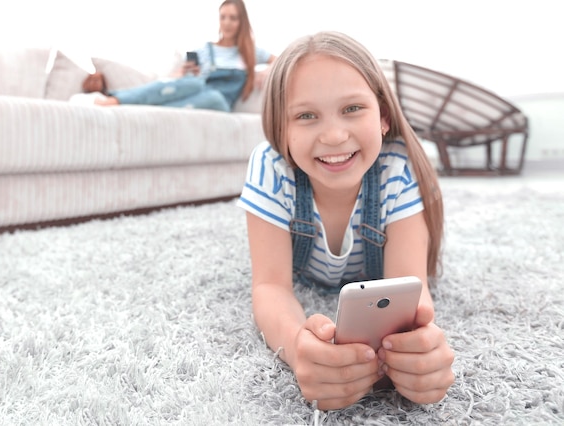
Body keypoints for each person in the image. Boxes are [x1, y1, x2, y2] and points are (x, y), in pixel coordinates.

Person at [237, 31, 455, 411]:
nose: (335, 136)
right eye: (306, 116)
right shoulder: (269, 167)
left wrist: (416, 353)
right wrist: (297, 346)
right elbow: (270, 286)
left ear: (384, 117)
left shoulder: (398, 170)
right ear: (281, 132)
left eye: (352, 108)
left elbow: (411, 287)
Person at [92, 0, 276, 112]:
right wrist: (184, 72)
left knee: (210, 97)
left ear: (241, 21)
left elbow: (282, 60)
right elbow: (177, 79)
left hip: (219, 99)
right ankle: (118, 99)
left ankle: (140, 108)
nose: (227, 23)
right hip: (197, 86)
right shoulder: (204, 49)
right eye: (223, 17)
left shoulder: (250, 51)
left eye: (233, 18)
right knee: (189, 83)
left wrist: (267, 70)